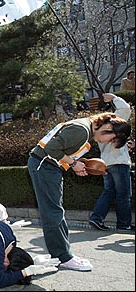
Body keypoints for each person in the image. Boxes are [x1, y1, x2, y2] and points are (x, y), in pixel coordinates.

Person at [28, 111, 131, 271]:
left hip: (46, 166)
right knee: (53, 212)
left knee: (54, 211)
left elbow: (60, 150)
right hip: (44, 166)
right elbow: (51, 148)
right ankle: (64, 257)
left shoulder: (84, 129)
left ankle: (59, 255)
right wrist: (74, 163)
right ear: (108, 127)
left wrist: (74, 164)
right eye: (111, 139)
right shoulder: (82, 130)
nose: (106, 142)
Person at [89, 93, 135, 232]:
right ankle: (123, 224)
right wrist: (114, 97)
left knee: (109, 191)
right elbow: (126, 109)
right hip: (119, 163)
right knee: (124, 194)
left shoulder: (98, 129)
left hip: (106, 163)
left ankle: (96, 217)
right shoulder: (113, 125)